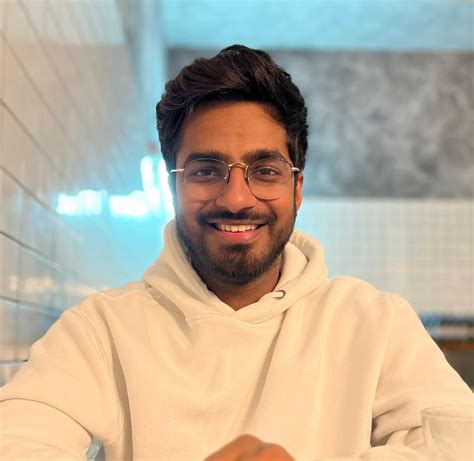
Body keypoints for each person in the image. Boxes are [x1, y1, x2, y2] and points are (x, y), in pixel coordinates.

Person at [0, 45, 472, 461]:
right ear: (173, 187)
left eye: (265, 170)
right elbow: (17, 439)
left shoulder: (373, 322)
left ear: (297, 188)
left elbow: (459, 441)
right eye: (206, 170)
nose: (237, 199)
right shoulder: (102, 330)